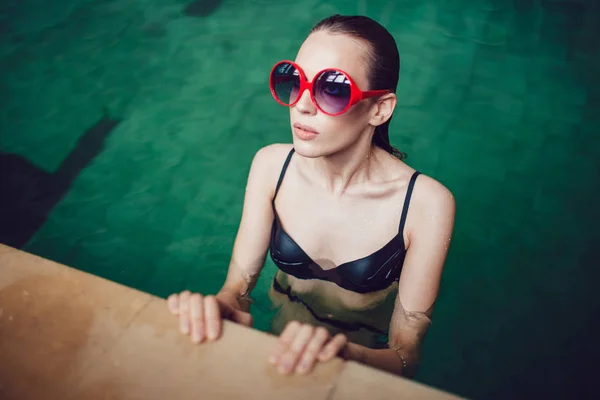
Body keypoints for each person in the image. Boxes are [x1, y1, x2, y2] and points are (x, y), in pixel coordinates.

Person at [166, 14, 455, 378]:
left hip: (362, 362)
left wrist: (348, 356)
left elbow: (405, 354)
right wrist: (220, 307)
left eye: (333, 88)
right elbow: (237, 288)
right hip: (279, 335)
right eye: (294, 81)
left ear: (379, 108)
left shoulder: (424, 205)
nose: (301, 104)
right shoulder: (271, 166)